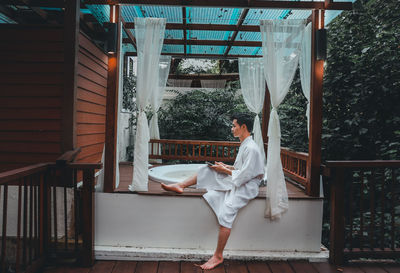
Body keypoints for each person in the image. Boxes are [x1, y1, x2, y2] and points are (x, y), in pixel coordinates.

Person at [161, 113, 265, 270]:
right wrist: (225, 167)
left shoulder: (251, 148)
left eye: (234, 126)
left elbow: (246, 175)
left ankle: (218, 255)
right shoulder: (245, 144)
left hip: (247, 186)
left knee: (227, 210)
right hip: (240, 179)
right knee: (207, 169)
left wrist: (225, 169)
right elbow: (241, 169)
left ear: (243, 127)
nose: (232, 129)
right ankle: (181, 185)